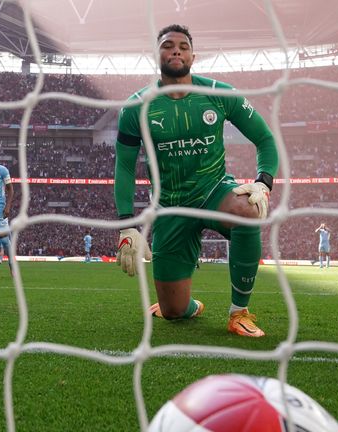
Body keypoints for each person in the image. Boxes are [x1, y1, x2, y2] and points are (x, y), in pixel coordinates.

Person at [113, 24, 278, 338]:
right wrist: (126, 224)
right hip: (169, 207)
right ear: (156, 54)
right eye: (168, 45)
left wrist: (263, 183)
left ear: (193, 55)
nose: (176, 50)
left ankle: (239, 312)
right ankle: (185, 304)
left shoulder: (219, 93)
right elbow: (123, 167)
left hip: (213, 191)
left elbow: (266, 140)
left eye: (183, 46)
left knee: (248, 209)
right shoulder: (136, 107)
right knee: (174, 313)